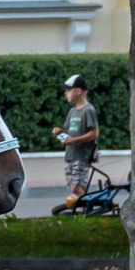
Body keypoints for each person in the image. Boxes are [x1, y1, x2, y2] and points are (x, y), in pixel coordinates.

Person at [54, 74, 101, 211]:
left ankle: (87, 211)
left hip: (82, 155)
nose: (65, 93)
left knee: (77, 187)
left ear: (79, 91)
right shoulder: (72, 111)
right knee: (74, 186)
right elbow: (70, 132)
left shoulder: (88, 110)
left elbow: (94, 133)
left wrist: (74, 140)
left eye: (69, 90)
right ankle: (84, 211)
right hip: (71, 155)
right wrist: (60, 133)